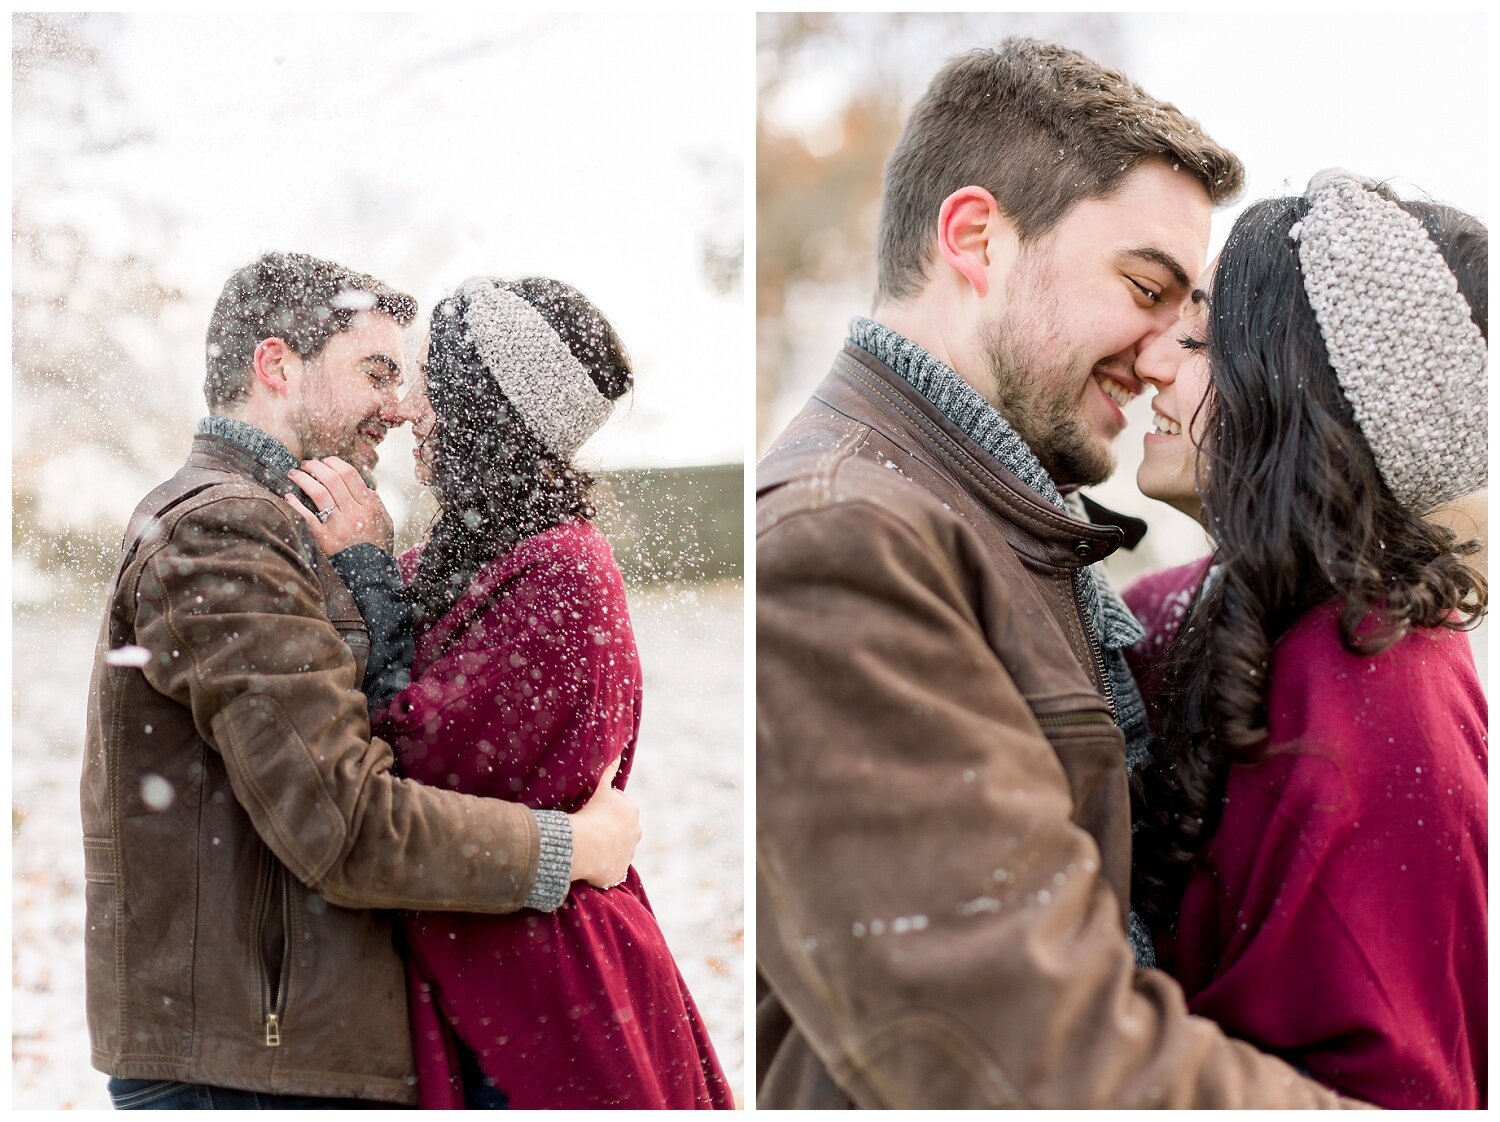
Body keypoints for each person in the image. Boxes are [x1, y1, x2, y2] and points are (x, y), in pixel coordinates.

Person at [756, 38, 1369, 1108]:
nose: (1164, 351)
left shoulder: (988, 519)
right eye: (1145, 286)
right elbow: (1019, 1050)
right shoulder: (844, 539)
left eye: (1187, 315)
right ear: (977, 238)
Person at [82, 252, 641, 1110]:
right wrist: (572, 851)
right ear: (277, 366)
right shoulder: (223, 530)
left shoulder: (307, 527)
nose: (399, 404)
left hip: (292, 1055)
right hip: (245, 1070)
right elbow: (345, 821)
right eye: (375, 373)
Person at [290, 275, 734, 1109]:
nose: (407, 409)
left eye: (428, 383)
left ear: (478, 408)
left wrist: (365, 574)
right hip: (489, 970)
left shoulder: (565, 570)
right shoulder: (466, 559)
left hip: (544, 997)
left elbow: (413, 761)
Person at [1124, 173, 1487, 1109]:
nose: (1155, 362)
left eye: (1202, 338)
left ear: (1298, 393)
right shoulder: (1178, 607)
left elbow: (1394, 1083)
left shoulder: (1381, 696)